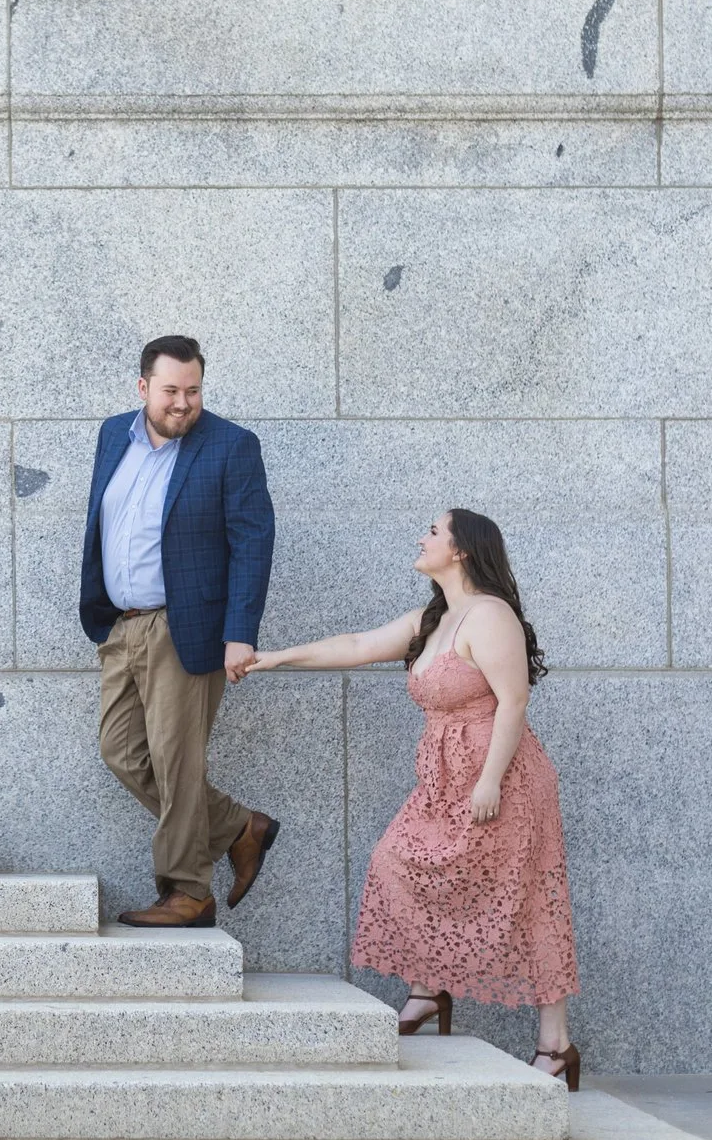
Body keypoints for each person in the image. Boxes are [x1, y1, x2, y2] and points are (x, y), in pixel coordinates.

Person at [251, 508, 582, 1089]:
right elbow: (355, 645)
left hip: (502, 777)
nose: (421, 538)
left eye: (433, 531)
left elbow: (514, 702)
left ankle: (555, 1046)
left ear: (460, 550)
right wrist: (274, 658)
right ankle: (429, 989)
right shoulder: (435, 619)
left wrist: (490, 780)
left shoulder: (490, 615)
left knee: (530, 897)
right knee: (398, 861)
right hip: (442, 779)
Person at [79, 333, 281, 929]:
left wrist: (240, 632)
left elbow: (253, 541)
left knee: (175, 761)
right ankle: (239, 827)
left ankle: (188, 890)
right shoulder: (113, 435)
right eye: (170, 390)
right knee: (120, 751)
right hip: (122, 626)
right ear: (143, 387)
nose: (183, 402)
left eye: (192, 390)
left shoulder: (231, 447)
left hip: (185, 625)